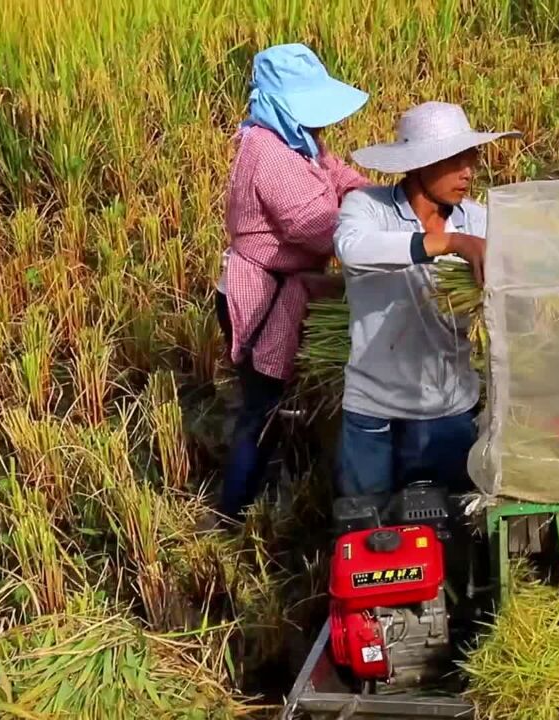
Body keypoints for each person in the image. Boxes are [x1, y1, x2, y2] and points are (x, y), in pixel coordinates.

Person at [332, 101, 519, 505]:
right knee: (369, 528)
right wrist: (449, 243)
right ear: (418, 164)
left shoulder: (480, 220)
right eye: (454, 161)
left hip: (450, 407)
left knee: (447, 526)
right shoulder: (368, 208)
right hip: (375, 411)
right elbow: (352, 250)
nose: (467, 172)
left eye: (471, 160)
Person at [213, 43, 371, 522]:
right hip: (263, 297)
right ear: (278, 103)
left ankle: (278, 481)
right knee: (260, 412)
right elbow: (319, 225)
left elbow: (338, 174)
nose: (320, 122)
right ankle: (232, 512)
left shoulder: (298, 140)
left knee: (277, 403)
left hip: (289, 286)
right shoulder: (269, 153)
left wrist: (375, 198)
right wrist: (389, 233)